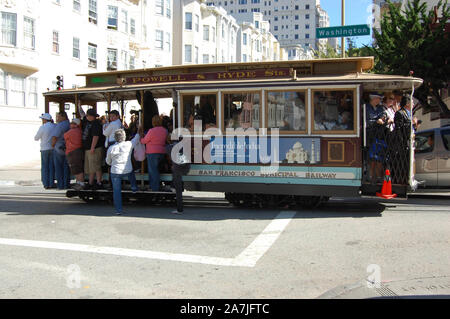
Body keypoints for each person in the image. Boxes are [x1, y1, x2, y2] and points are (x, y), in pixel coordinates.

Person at [106, 129, 140, 215]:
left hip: (115, 171)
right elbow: (136, 138)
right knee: (131, 172)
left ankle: (118, 210)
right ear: (124, 137)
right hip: (127, 170)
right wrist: (138, 130)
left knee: (116, 191)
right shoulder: (128, 144)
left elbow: (108, 161)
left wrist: (112, 163)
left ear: (115, 138)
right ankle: (134, 188)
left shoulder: (111, 148)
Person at [139, 115, 168, 191]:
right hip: (161, 152)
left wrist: (141, 138)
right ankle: (156, 186)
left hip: (152, 153)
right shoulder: (164, 130)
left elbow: (144, 141)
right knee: (157, 170)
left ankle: (154, 187)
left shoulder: (151, 131)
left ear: (153, 122)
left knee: (153, 171)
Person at [365, 93, 387, 183]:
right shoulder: (366, 107)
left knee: (379, 157)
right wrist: (376, 121)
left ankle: (378, 177)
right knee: (371, 157)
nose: (379, 100)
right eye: (378, 98)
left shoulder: (380, 108)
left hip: (379, 135)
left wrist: (384, 118)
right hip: (370, 135)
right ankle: (371, 176)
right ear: (373, 99)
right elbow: (366, 121)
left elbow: (384, 115)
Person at [81, 108, 105, 189]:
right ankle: (90, 182)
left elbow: (95, 136)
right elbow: (82, 114)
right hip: (88, 148)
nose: (86, 117)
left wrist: (92, 147)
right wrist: (79, 105)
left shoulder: (96, 124)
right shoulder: (87, 122)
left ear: (92, 116)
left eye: (88, 115)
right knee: (91, 167)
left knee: (96, 166)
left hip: (95, 148)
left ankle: (99, 182)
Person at [34, 113, 56, 189]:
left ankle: (46, 183)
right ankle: (51, 182)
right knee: (51, 166)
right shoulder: (54, 126)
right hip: (52, 148)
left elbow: (36, 138)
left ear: (45, 120)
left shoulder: (42, 127)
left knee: (45, 167)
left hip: (44, 149)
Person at [51, 111, 71, 190]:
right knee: (66, 167)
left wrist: (52, 145)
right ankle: (66, 183)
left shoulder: (60, 125)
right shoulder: (69, 124)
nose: (57, 119)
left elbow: (55, 136)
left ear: (63, 117)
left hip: (59, 147)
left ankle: (60, 184)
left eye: (58, 117)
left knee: (59, 167)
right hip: (67, 147)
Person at [64, 118, 85, 191]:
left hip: (72, 152)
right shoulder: (80, 131)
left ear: (77, 125)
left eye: (73, 123)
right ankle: (79, 183)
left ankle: (80, 183)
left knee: (76, 169)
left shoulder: (71, 132)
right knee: (78, 168)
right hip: (77, 151)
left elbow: (65, 136)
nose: (71, 124)